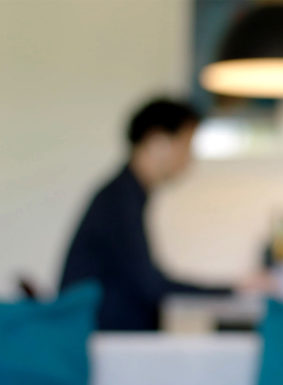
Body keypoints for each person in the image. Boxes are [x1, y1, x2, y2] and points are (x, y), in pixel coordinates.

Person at [59, 98, 232, 331]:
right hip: (101, 345)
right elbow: (151, 286)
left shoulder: (127, 194)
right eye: (186, 144)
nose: (190, 158)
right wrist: (232, 290)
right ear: (158, 142)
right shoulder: (120, 200)